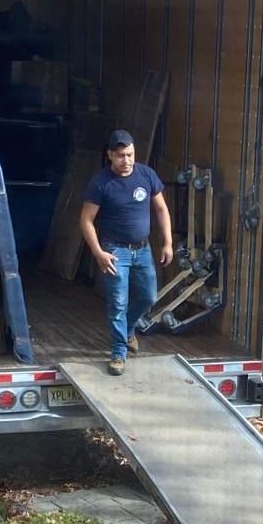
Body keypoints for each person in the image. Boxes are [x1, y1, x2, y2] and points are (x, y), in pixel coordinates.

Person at [78, 129, 173, 375]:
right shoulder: (101, 182)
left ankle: (128, 330)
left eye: (130, 155)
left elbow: (161, 209)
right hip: (114, 251)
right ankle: (119, 352)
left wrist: (167, 243)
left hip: (142, 250)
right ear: (110, 155)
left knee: (149, 297)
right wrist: (98, 252)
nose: (126, 161)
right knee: (118, 303)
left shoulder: (147, 175)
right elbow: (86, 220)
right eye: (120, 155)